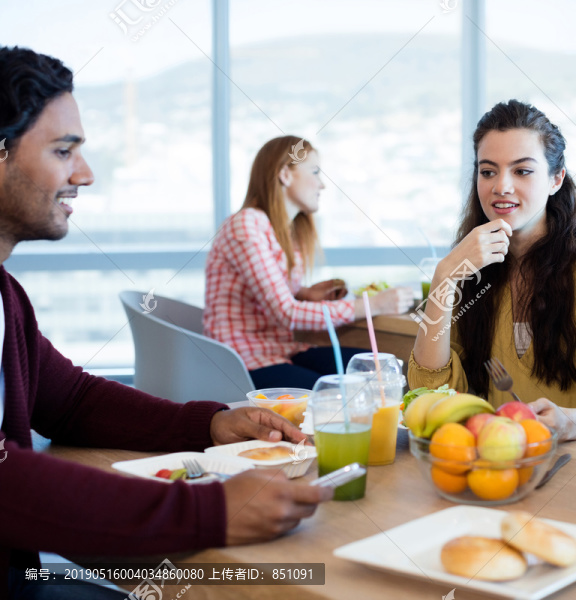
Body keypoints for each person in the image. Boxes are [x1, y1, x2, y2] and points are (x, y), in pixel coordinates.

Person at [0, 46, 333, 599]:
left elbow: (73, 400)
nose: (84, 173)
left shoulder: (7, 295)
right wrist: (207, 509)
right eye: (63, 151)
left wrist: (208, 425)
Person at [409, 100, 576, 442]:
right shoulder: (468, 264)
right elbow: (430, 393)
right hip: (493, 464)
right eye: (488, 171)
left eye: (522, 171)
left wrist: (567, 422)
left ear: (556, 179)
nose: (501, 186)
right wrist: (444, 278)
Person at [203, 136, 414, 389]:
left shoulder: (282, 230)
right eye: (314, 172)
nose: (322, 185)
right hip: (247, 362)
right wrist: (373, 305)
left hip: (283, 349)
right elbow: (286, 313)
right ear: (285, 174)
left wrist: (303, 293)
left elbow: (265, 294)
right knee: (350, 391)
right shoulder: (246, 224)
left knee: (383, 370)